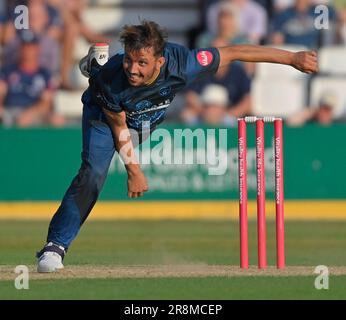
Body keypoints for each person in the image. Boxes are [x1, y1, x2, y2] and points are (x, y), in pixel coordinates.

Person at [36, 20, 317, 273]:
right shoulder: (115, 80)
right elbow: (118, 127)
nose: (134, 70)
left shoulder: (184, 63)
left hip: (145, 118)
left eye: (142, 63)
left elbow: (234, 52)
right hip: (105, 115)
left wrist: (292, 58)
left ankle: (93, 66)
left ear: (160, 61)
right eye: (130, 61)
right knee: (93, 174)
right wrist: (134, 170)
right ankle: (55, 246)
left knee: (127, 127)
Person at [0, 31, 64, 127]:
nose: (27, 50)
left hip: (34, 113)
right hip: (10, 111)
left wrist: (30, 113)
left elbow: (46, 103)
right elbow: (1, 91)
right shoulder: (8, 71)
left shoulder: (45, 74)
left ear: (37, 49)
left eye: (31, 47)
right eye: (25, 46)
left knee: (57, 119)